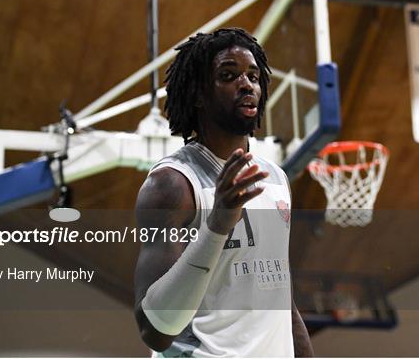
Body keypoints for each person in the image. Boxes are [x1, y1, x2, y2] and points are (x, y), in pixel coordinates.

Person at [134, 28, 313, 357]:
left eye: (253, 75)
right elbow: (154, 330)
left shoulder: (275, 178)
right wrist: (216, 226)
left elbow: (278, 294)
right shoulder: (172, 185)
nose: (247, 84)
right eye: (229, 75)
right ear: (199, 94)